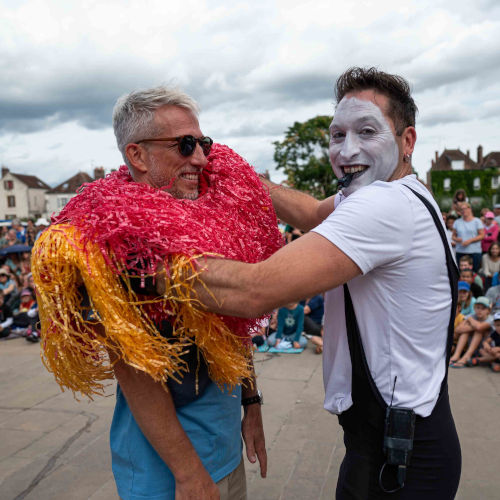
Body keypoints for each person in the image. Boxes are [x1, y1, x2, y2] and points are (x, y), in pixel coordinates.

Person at [186, 68, 461, 498]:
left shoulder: (383, 204)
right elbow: (315, 213)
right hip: (397, 439)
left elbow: (253, 290)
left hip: (400, 457)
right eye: (337, 135)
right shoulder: (402, 190)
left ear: (407, 141)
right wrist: (242, 179)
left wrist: (141, 263)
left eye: (367, 131)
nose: (347, 150)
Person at [32, 86, 278, 500]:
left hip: (224, 451)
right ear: (137, 155)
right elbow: (136, 370)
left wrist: (250, 402)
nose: (199, 159)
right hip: (171, 473)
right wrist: (188, 474)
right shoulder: (113, 241)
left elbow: (232, 324)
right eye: (184, 145)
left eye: (203, 144)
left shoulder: (201, 219)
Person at [450, 296, 493, 367]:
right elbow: (458, 329)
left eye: (483, 308)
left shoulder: (490, 319)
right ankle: (456, 355)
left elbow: (479, 327)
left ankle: (466, 357)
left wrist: (470, 320)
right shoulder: (472, 316)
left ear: (488, 310)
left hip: (484, 350)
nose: (479, 310)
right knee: (465, 332)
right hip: (472, 348)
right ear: (474, 308)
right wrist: (473, 326)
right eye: (478, 307)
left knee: (478, 332)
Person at [452, 202, 484, 272]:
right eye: (461, 209)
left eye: (465, 208)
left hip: (474, 252)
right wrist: (457, 239)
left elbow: (482, 235)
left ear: (470, 209)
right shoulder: (457, 222)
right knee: (460, 273)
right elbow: (453, 236)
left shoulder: (477, 221)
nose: (463, 211)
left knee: (474, 273)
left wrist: (469, 241)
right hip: (460, 251)